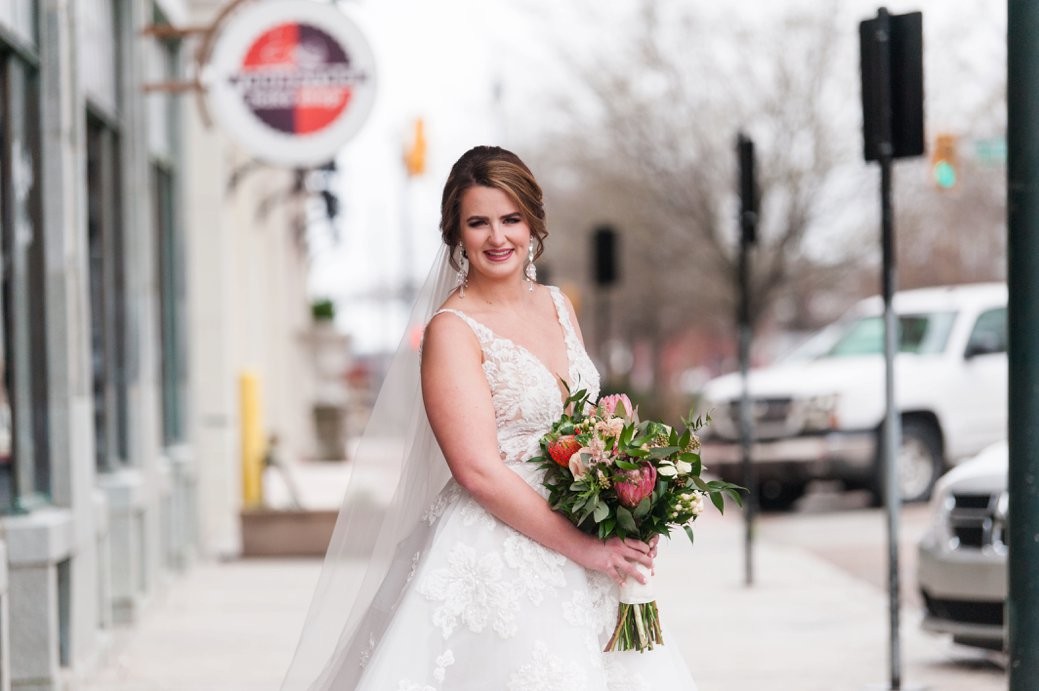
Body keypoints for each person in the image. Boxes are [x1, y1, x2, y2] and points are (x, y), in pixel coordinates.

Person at [281, 146, 697, 690]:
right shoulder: (452, 331)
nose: (497, 237)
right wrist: (585, 550)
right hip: (502, 552)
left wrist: (630, 509)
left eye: (511, 219)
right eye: (478, 222)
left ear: (533, 223)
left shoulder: (557, 304)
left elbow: (590, 427)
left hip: (587, 531)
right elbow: (476, 470)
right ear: (456, 233)